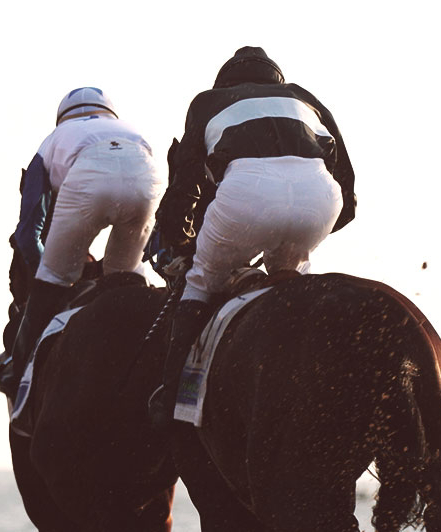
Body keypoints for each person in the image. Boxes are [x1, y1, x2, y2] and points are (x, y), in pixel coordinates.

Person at [147, 46, 357, 430]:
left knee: (199, 282)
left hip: (246, 197)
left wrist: (183, 241)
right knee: (293, 271)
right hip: (320, 200)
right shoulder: (307, 99)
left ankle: (175, 397)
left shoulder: (208, 102)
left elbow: (186, 184)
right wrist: (301, 234)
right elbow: (349, 190)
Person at [0, 87, 165, 397]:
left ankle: (16, 373)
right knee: (125, 279)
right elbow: (155, 229)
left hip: (88, 185)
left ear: (62, 119)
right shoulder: (132, 132)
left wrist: (51, 274)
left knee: (52, 279)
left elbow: (28, 232)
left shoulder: (53, 140)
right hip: (146, 180)